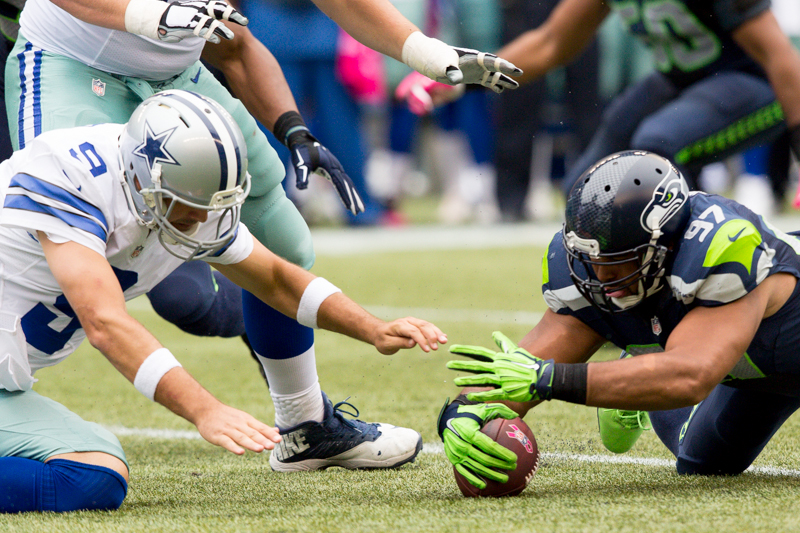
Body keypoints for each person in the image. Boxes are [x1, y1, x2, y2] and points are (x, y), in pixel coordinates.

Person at [4, 0, 518, 471]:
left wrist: (425, 56)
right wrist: (157, 18)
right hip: (74, 69)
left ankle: (306, 426)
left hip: (178, 78)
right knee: (154, 287)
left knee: (284, 241)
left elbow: (247, 42)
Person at [0, 90, 447, 513]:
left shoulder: (183, 197)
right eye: (188, 206)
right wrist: (204, 410)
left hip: (7, 382)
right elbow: (104, 322)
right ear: (142, 176)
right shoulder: (70, 173)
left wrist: (371, 329)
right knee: (88, 479)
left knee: (96, 476)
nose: (201, 222)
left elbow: (274, 279)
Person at [437, 150, 800, 489]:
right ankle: (641, 372)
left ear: (666, 241)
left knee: (677, 373)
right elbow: (523, 369)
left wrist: (551, 380)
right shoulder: (590, 271)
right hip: (751, 368)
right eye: (594, 257)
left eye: (619, 256)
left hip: (765, 351)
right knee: (705, 461)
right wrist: (460, 412)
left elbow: (691, 374)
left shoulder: (723, 244)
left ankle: (645, 367)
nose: (600, 273)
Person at [396, 0, 800, 202]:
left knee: (656, 147)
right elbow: (551, 42)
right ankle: (616, 308)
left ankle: (697, 292)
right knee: (587, 188)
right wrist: (464, 77)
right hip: (682, 80)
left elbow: (778, 56)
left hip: (756, 84)